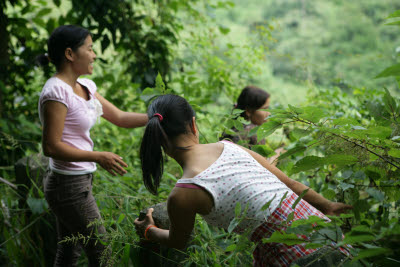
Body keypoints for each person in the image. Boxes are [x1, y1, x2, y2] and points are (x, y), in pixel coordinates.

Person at [134, 94, 352, 267]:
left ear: (159, 139)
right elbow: (290, 184)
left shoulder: (183, 192)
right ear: (193, 124)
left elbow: (177, 241)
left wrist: (148, 230)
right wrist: (328, 206)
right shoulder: (229, 146)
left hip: (288, 250)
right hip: (319, 226)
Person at [38, 25, 148, 266]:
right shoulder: (56, 91)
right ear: (70, 54)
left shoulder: (85, 86)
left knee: (69, 251)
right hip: (67, 185)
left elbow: (119, 117)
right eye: (89, 48)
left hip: (79, 181)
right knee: (102, 252)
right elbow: (51, 147)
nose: (94, 55)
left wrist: (157, 116)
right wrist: (98, 156)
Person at [222, 85, 283, 165]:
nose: (268, 113)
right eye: (264, 109)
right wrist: (278, 154)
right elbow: (266, 169)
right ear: (248, 111)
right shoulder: (254, 133)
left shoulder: (230, 128)